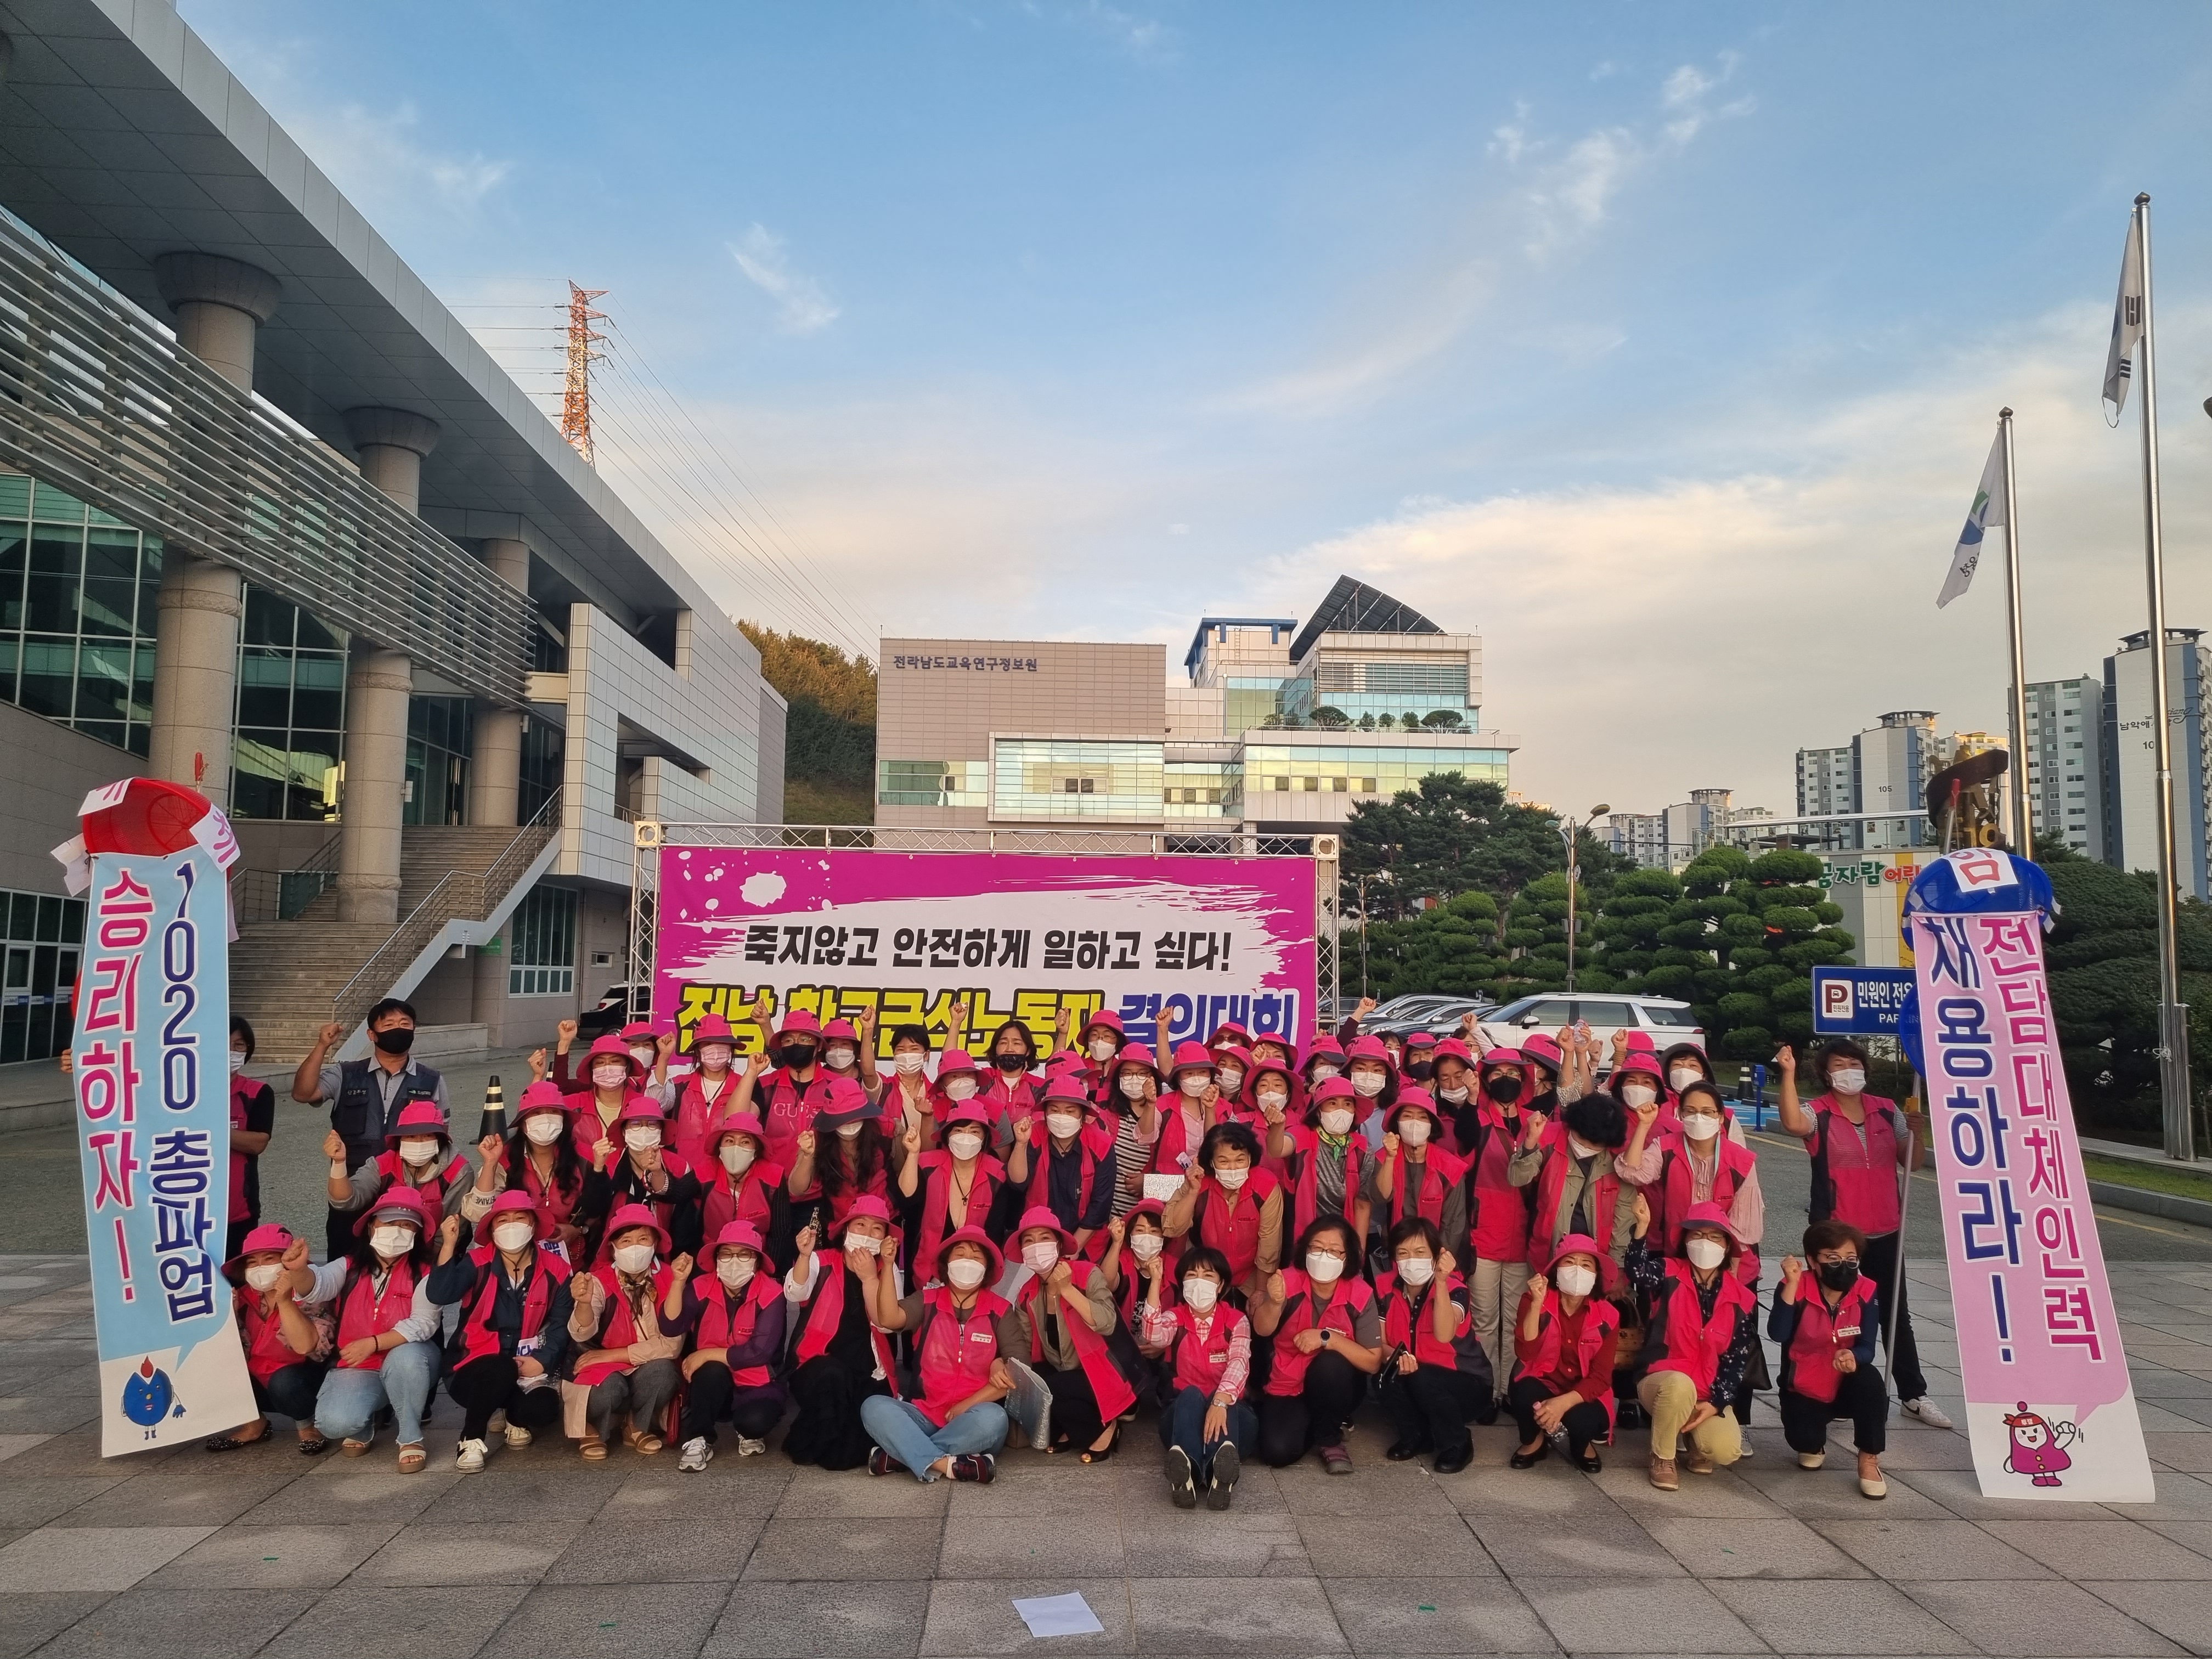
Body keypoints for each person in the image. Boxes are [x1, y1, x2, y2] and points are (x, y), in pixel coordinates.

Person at [1776, 1040, 1951, 1429]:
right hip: (1838, 1238)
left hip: (1888, 1231)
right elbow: (1791, 1123)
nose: (1848, 1070)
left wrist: (1919, 1134)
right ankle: (1820, 1385)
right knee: (1829, 1314)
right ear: (1826, 1074)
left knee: (1894, 1315)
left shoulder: (1889, 1112)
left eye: (1854, 1063)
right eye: (1838, 1064)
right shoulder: (1818, 1114)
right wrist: (1788, 1072)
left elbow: (1914, 1163)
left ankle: (1913, 1394)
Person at [427, 1188, 573, 1471]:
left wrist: (542, 1361)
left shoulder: (557, 1269)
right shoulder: (477, 1262)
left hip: (528, 1366)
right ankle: (470, 1438)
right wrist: (448, 1245)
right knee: (500, 1369)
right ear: (492, 1229)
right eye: (502, 1221)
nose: (512, 1226)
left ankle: (514, 1417)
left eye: (520, 1218)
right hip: (473, 1367)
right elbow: (440, 1293)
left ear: (533, 1226)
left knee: (543, 1410)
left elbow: (561, 1325)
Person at [300, 1187, 444, 1472]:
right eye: (389, 1223)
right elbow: (319, 1286)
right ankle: (366, 1422)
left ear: (417, 1234)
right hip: (358, 1365)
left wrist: (374, 1343)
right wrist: (298, 1271)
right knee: (334, 1424)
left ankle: (410, 1437)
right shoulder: (350, 1265)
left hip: (410, 1361)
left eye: (407, 1226)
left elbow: (425, 1323)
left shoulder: (427, 1270)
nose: (397, 1231)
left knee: (409, 1356)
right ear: (371, 1226)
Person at [292, 997, 448, 1257]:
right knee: (345, 1262)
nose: (398, 1029)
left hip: (406, 1191)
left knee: (403, 1263)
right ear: (372, 1035)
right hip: (350, 1188)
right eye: (389, 1024)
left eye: (404, 1024)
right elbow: (303, 1093)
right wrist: (322, 1046)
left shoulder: (431, 1080)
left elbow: (443, 1137)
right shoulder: (346, 1074)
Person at [1622, 1198, 1755, 1491]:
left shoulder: (1742, 1299)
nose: (1705, 1242)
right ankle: (1662, 1456)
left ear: (1726, 1245)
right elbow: (1636, 1272)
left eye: (1714, 1236)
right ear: (1685, 1240)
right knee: (1679, 1385)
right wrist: (1641, 1229)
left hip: (1705, 1391)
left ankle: (1695, 1442)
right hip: (1662, 1381)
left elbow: (1736, 1360)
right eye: (1697, 1234)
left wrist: (1717, 1403)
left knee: (1725, 1450)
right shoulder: (1668, 1272)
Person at [861, 1225, 1013, 1482]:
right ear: (946, 1264)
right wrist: (887, 1266)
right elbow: (889, 1318)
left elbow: (1017, 1372)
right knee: (873, 1406)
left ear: (987, 1268)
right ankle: (948, 1465)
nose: (967, 1262)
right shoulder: (927, 1300)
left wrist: (967, 1405)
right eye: (960, 1255)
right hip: (924, 1414)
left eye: (976, 1258)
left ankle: (904, 1455)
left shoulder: (1001, 1310)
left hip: (973, 1420)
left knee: (996, 1419)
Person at [1249, 1215, 1384, 1472]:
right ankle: (1310, 1424)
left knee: (1331, 1363)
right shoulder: (1287, 1280)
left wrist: (1327, 1338)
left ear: (1347, 1258)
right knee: (1276, 1453)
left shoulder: (1360, 1292)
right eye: (1317, 1248)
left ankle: (1329, 1437)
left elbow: (1373, 1361)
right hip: (1287, 1382)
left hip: (1336, 1384)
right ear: (1305, 1249)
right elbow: (1262, 1329)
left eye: (1334, 1251)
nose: (1324, 1256)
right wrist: (1275, 1303)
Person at [1005, 1205, 1137, 1462]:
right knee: (1038, 1387)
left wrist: (1067, 1290)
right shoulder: (1026, 1293)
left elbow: (1108, 1323)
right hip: (1062, 1373)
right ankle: (1092, 1423)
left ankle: (1105, 1428)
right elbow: (1026, 1344)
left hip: (1102, 1372)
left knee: (1050, 1388)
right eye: (1029, 1241)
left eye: (1045, 1238)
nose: (1037, 1246)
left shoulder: (1088, 1273)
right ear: (1022, 1251)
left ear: (1058, 1244)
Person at [782, 1196, 902, 1470]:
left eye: (876, 1229)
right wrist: (803, 1255)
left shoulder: (889, 1269)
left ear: (885, 1237)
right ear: (846, 1229)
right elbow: (795, 1292)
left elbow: (886, 1323)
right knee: (834, 1378)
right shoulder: (821, 1261)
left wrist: (870, 1278)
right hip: (818, 1365)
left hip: (869, 1367)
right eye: (860, 1225)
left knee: (869, 1415)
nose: (867, 1234)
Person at [1771, 1218, 1889, 1499]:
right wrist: (1792, 1284)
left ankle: (1869, 1458)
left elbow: (1869, 1346)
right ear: (1813, 1260)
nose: (1844, 1266)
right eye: (1832, 1258)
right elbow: (1777, 1332)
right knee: (1806, 1446)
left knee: (1871, 1380)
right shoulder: (1795, 1286)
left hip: (1845, 1381)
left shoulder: (1867, 1290)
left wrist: (1854, 1355)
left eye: (1851, 1259)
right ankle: (1815, 1442)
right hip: (1804, 1384)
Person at [565, 1203, 686, 1459]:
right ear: (613, 1247)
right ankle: (591, 1430)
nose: (635, 1247)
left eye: (643, 1239)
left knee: (664, 1372)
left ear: (655, 1242)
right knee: (607, 1390)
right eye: (626, 1240)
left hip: (636, 1362)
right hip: (602, 1369)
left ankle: (636, 1425)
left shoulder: (671, 1278)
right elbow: (581, 1334)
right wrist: (584, 1303)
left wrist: (613, 1355)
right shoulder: (597, 1280)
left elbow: (672, 1345)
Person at [1143, 1242, 1253, 1508]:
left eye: (1208, 1276)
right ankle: (1189, 1472)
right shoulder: (1175, 1317)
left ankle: (1217, 1474)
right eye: (1191, 1276)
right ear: (1182, 1283)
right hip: (1182, 1414)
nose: (1199, 1282)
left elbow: (1239, 1362)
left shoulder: (1237, 1321)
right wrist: (1156, 1282)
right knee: (1191, 1394)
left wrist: (1219, 1402)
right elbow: (1153, 1335)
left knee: (1226, 1402)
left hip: (1229, 1413)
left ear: (1221, 1284)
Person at [1376, 1217, 1489, 1474]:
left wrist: (1440, 1282)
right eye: (1403, 1253)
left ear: (1437, 1255)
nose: (1411, 1260)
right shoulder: (1384, 1287)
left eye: (1420, 1252)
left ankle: (1458, 1443)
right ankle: (1417, 1437)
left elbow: (1443, 1334)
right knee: (1386, 1378)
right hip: (1417, 1373)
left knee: (1423, 1378)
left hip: (1467, 1383)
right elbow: (1379, 1342)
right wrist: (1396, 1357)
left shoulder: (1456, 1289)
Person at [1457, 1046, 1537, 1405]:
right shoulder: (1477, 1117)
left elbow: (1569, 1096)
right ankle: (1487, 1390)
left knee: (1515, 1321)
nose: (1507, 1080)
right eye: (1498, 1073)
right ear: (1486, 1078)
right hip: (1484, 1236)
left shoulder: (1537, 1121)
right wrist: (1473, 1099)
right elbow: (1465, 1136)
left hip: (1524, 1241)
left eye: (1515, 1074)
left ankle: (1510, 1389)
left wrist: (1579, 1056)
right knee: (1484, 1320)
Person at [204, 1222, 328, 1454]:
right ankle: (253, 1423)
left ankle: (307, 1425)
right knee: (214, 1368)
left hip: (302, 1380)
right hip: (260, 1377)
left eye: (269, 1259)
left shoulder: (310, 1292)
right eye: (252, 1262)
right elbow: (233, 1352)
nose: (259, 1267)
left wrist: (285, 1301)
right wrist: (230, 1319)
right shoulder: (242, 1298)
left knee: (285, 1382)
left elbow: (314, 1349)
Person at [675, 1220, 788, 1470]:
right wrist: (677, 1282)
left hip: (760, 1381)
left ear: (757, 1261)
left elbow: (760, 1352)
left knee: (754, 1424)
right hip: (717, 1379)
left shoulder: (773, 1293)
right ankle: (700, 1439)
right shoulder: (700, 1287)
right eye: (726, 1254)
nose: (734, 1261)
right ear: (716, 1259)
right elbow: (671, 1327)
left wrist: (705, 1353)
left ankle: (744, 1427)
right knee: (709, 1371)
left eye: (744, 1254)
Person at [1506, 1234, 1618, 1473]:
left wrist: (1561, 1404)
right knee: (1523, 1391)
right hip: (1543, 1382)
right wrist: (1536, 1304)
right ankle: (1534, 1442)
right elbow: (1525, 1352)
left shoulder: (1609, 1314)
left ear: (1596, 1275)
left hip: (1582, 1391)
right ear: (1556, 1270)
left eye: (1586, 1264)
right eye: (1569, 1262)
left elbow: (1601, 1378)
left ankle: (1582, 1444)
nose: (1577, 1269)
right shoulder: (1533, 1299)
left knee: (1585, 1422)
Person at [1510, 1091, 1638, 1271]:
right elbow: (1517, 1178)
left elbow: (1624, 1218)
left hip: (1595, 1259)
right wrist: (1530, 1142)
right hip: (1547, 1252)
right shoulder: (1547, 1137)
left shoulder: (1619, 1159)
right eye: (1581, 1140)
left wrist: (1616, 1267)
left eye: (1594, 1146)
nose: (1585, 1147)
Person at [325, 1099, 494, 1231]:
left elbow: (454, 1226)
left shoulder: (458, 1171)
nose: (419, 1142)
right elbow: (346, 1201)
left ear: (440, 1140)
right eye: (411, 1137)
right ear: (399, 1140)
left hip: (438, 1253)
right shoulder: (384, 1163)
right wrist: (339, 1163)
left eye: (427, 1135)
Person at [1161, 1122, 1283, 1305]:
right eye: (1224, 1161)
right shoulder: (1199, 1182)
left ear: (1250, 1158)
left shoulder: (1266, 1186)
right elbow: (1172, 1228)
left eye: (1240, 1160)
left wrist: (1259, 1290)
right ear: (1212, 1162)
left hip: (1252, 1275)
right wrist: (1193, 1191)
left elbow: (1269, 1244)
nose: (1233, 1168)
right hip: (1207, 1273)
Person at [898, 1099, 1009, 1281]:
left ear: (984, 1138)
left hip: (974, 1273)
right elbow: (906, 1198)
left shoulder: (998, 1175)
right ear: (948, 1135)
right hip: (924, 1269)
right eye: (958, 1131)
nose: (966, 1137)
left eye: (974, 1132)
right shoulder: (927, 1164)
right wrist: (913, 1154)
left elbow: (995, 1234)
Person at [1008, 1076, 1118, 1256]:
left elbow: (1101, 1205)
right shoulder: (1033, 1135)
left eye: (1070, 1111)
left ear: (1082, 1115)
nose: (1061, 1117)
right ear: (1045, 1113)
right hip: (1039, 1234)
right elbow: (1018, 1183)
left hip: (1086, 1238)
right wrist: (1020, 1144)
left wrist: (1075, 1247)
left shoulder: (1102, 1144)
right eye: (1055, 1110)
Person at [582, 1098, 703, 1259]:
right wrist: (597, 1170)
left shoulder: (679, 1166)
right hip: (612, 1256)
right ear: (624, 1131)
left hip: (664, 1257)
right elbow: (593, 1210)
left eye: (652, 1124)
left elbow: (686, 1215)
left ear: (661, 1130)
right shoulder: (609, 1164)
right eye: (636, 1124)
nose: (644, 1130)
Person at [1267, 1075, 1371, 1248]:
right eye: (1332, 1103)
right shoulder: (1302, 1134)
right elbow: (1276, 1150)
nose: (1341, 1110)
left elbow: (1362, 1206)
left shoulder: (1363, 1149)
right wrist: (1278, 1127)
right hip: (1304, 1235)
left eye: (1347, 1104)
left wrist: (1358, 1255)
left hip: (1343, 1239)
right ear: (1318, 1110)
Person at [492, 1081, 591, 1256]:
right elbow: (480, 1213)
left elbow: (600, 1205)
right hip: (515, 1257)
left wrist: (578, 1229)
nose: (545, 1119)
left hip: (573, 1258)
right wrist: (488, 1164)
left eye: (553, 1112)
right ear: (523, 1124)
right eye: (536, 1113)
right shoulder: (504, 1158)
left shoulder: (584, 1157)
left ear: (563, 1120)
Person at [1369, 1087, 1469, 1260]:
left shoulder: (1450, 1167)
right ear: (1397, 1122)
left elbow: (1453, 1224)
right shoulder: (1383, 1157)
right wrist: (1391, 1158)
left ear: (1432, 1125)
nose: (1415, 1122)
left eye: (1423, 1117)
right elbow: (1380, 1196)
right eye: (1407, 1116)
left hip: (1437, 1254)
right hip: (1396, 1251)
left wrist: (1437, 1261)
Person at [788, 1076, 897, 1231]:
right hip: (840, 1224)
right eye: (843, 1118)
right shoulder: (817, 1139)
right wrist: (807, 1156)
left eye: (855, 1117)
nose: (850, 1123)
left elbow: (902, 1172)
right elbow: (796, 1189)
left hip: (883, 1220)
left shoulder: (884, 1129)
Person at [698, 1109, 786, 1254]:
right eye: (729, 1141)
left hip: (758, 1258)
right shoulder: (706, 1170)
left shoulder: (774, 1176)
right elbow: (675, 1192)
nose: (736, 1148)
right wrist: (657, 1172)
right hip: (714, 1259)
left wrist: (771, 1273)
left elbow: (780, 1233)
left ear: (756, 1150)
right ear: (720, 1147)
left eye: (745, 1142)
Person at [225, 1015, 276, 1261]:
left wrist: (210, 1131)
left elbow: (258, 1143)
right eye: (225, 1043)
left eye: (239, 1045)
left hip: (239, 1210)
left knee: (238, 1282)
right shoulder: (185, 1093)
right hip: (192, 1207)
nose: (232, 1051)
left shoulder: (258, 1093)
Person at [667, 1014, 745, 1166]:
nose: (715, 1049)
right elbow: (654, 1104)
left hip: (726, 1176)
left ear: (731, 1049)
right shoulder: (679, 1085)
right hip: (683, 1174)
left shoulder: (744, 1086)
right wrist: (664, 1058)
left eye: (722, 1043)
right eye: (708, 1043)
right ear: (697, 1050)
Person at [1151, 1042, 1223, 1177]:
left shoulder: (1227, 1109)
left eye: (1202, 1072)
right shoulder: (1161, 1105)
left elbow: (1221, 1148)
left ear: (1211, 1075)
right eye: (1189, 1073)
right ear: (1178, 1077)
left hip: (1211, 1186)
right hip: (1168, 1190)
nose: (1196, 1078)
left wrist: (1211, 1110)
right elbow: (1145, 1139)